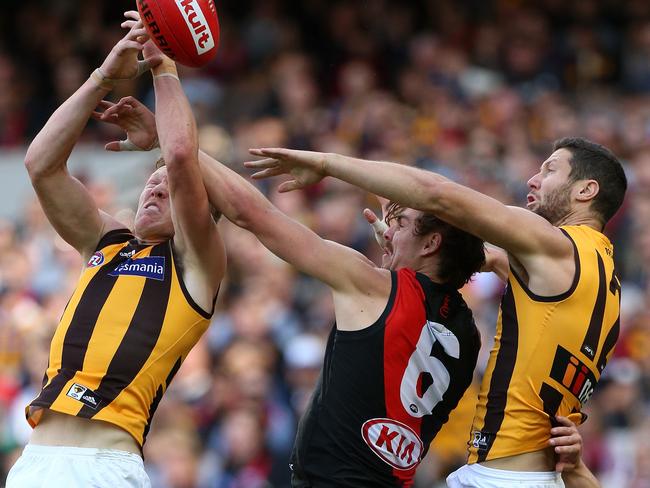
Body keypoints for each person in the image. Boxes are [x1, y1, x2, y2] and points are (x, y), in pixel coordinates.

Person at [90, 91, 486, 486]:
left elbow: (252, 214)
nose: (390, 230)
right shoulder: (469, 335)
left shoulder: (375, 286)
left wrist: (168, 140)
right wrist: (403, 254)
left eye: (401, 224)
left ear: (432, 244)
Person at [243, 138, 626, 487]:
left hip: (502, 475)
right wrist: (403, 244)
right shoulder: (601, 277)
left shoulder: (558, 248)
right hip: (532, 475)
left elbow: (437, 195)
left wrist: (327, 163)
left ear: (586, 191)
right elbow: (483, 257)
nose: (532, 179)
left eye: (549, 169)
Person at [6, 14, 225, 488]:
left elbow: (183, 157)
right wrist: (103, 75)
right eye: (152, 180)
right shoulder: (107, 241)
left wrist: (162, 66)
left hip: (104, 466)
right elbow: (40, 165)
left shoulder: (196, 265)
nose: (155, 188)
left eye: (170, 189)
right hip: (36, 461)